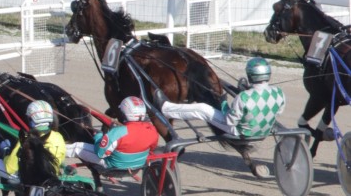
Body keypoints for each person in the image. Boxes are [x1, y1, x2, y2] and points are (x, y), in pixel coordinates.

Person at [154, 57, 286, 139]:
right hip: (265, 129)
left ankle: (166, 109)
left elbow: (229, 121)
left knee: (202, 109)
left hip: (240, 132)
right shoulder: (278, 92)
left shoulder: (244, 97)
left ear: (250, 75)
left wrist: (223, 103)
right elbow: (278, 112)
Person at [64, 96, 159, 169]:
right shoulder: (152, 130)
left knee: (76, 147)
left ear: (124, 113)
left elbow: (100, 154)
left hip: (114, 166)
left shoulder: (118, 133)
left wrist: (99, 136)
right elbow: (152, 148)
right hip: (139, 164)